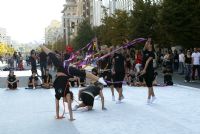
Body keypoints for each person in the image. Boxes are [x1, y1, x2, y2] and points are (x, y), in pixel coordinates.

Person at [40, 45, 107, 121]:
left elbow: (58, 106)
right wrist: (70, 118)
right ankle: (98, 79)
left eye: (69, 101)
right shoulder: (67, 94)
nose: (66, 102)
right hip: (68, 71)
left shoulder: (58, 95)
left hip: (63, 68)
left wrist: (58, 116)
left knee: (52, 55)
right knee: (83, 73)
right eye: (70, 101)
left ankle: (98, 79)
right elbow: (68, 106)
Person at [140, 38, 156, 104]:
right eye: (147, 43)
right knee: (148, 84)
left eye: (149, 43)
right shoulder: (145, 51)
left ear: (151, 45)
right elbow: (144, 46)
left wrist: (144, 70)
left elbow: (147, 62)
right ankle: (154, 96)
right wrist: (148, 40)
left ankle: (149, 99)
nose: (147, 44)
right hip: (144, 70)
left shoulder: (152, 53)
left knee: (149, 85)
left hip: (149, 70)